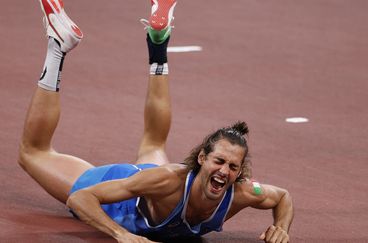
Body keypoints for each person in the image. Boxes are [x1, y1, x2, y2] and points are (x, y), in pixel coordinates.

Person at [18, 0, 294, 242]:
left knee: (154, 143)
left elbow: (282, 197)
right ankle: (58, 46)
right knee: (33, 153)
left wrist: (281, 226)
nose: (224, 171)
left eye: (233, 166)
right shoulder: (167, 181)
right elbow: (80, 199)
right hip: (129, 184)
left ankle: (158, 44)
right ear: (201, 159)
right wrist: (121, 234)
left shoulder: (240, 193)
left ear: (240, 171)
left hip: (156, 179)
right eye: (219, 161)